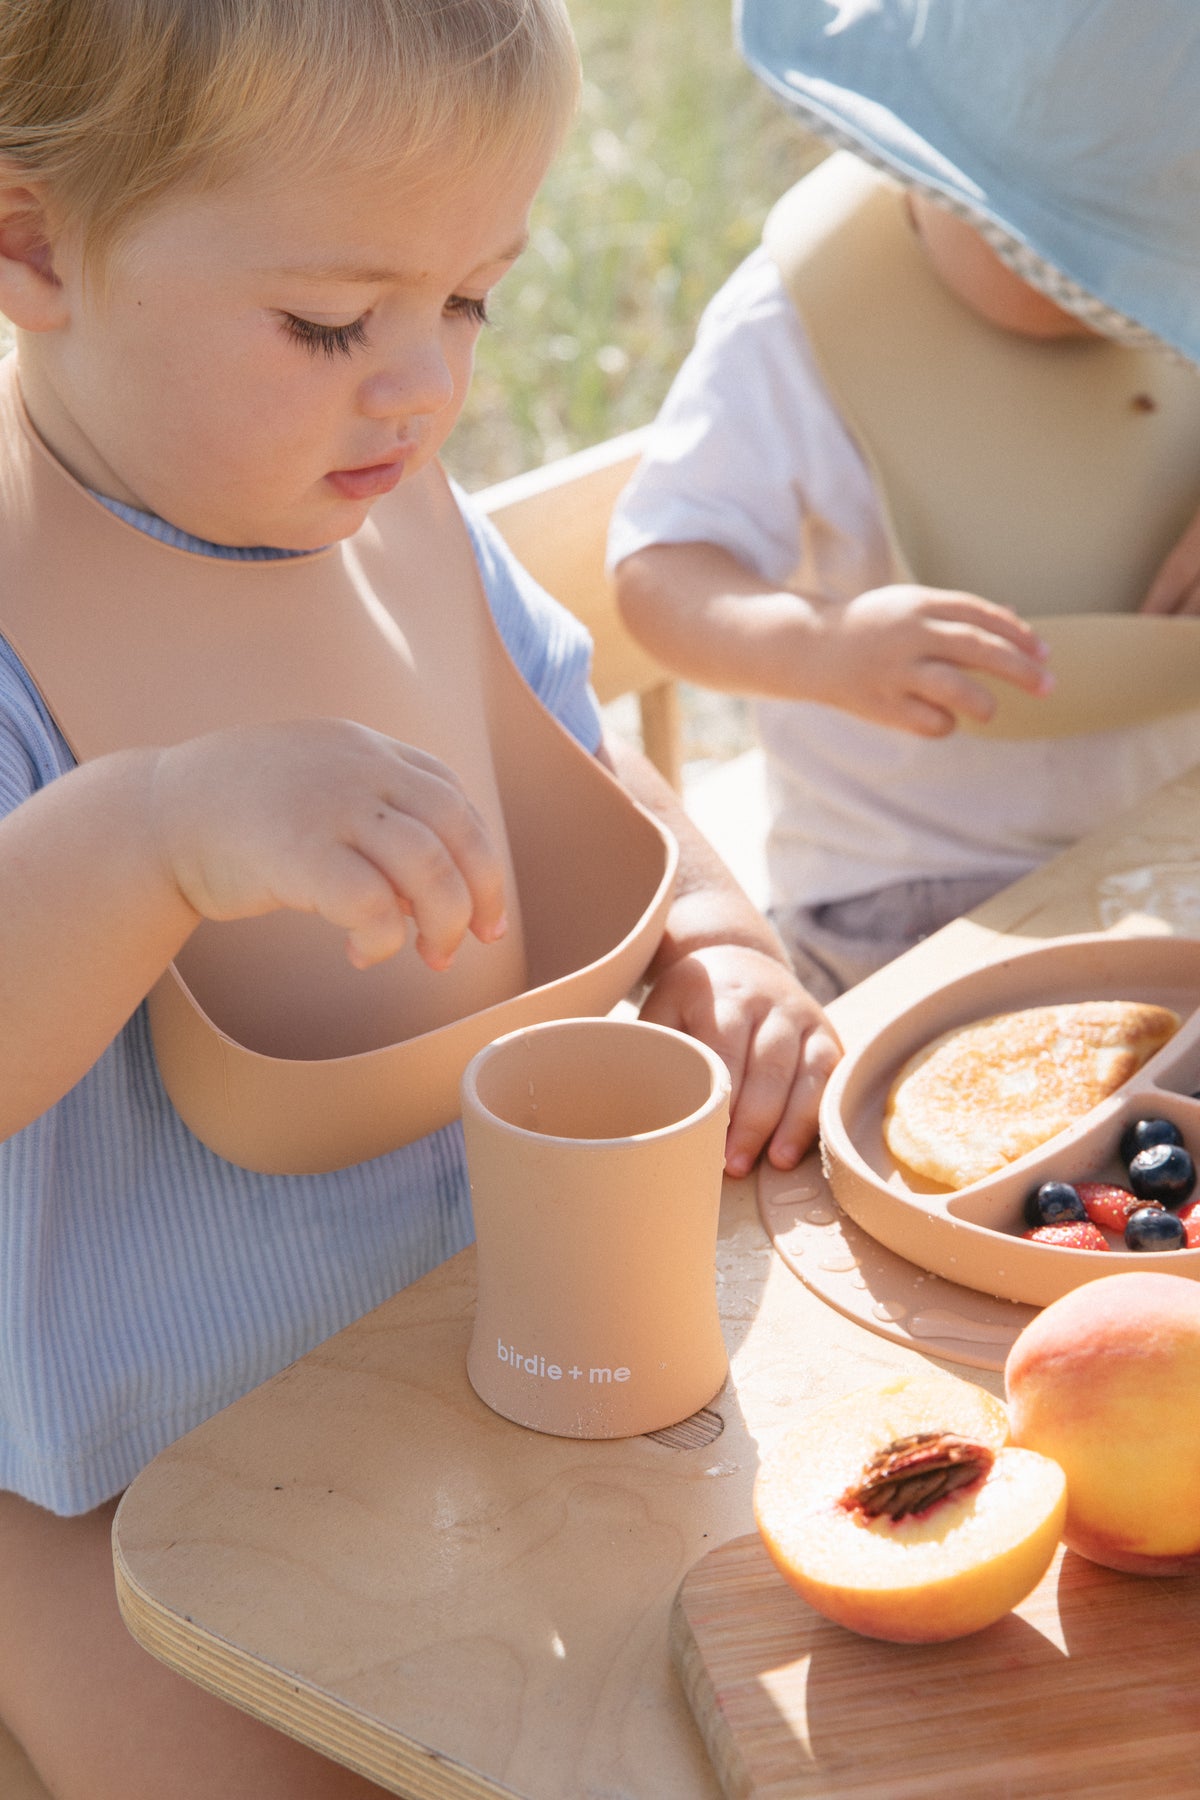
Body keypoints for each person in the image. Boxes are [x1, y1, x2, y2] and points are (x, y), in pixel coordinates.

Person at [0, 3, 839, 1794]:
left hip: (487, 1340)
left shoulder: (392, 508)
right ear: (31, 247)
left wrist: (713, 930)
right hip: (117, 1492)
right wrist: (146, 835)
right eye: (330, 323)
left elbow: (569, 770)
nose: (423, 386)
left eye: (468, 301)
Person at [611, 0, 1200, 1004]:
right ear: (924, 169)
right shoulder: (792, 331)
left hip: (1164, 841)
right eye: (1082, 263)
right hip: (909, 891)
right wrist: (818, 645)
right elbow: (658, 570)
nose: (1124, 307)